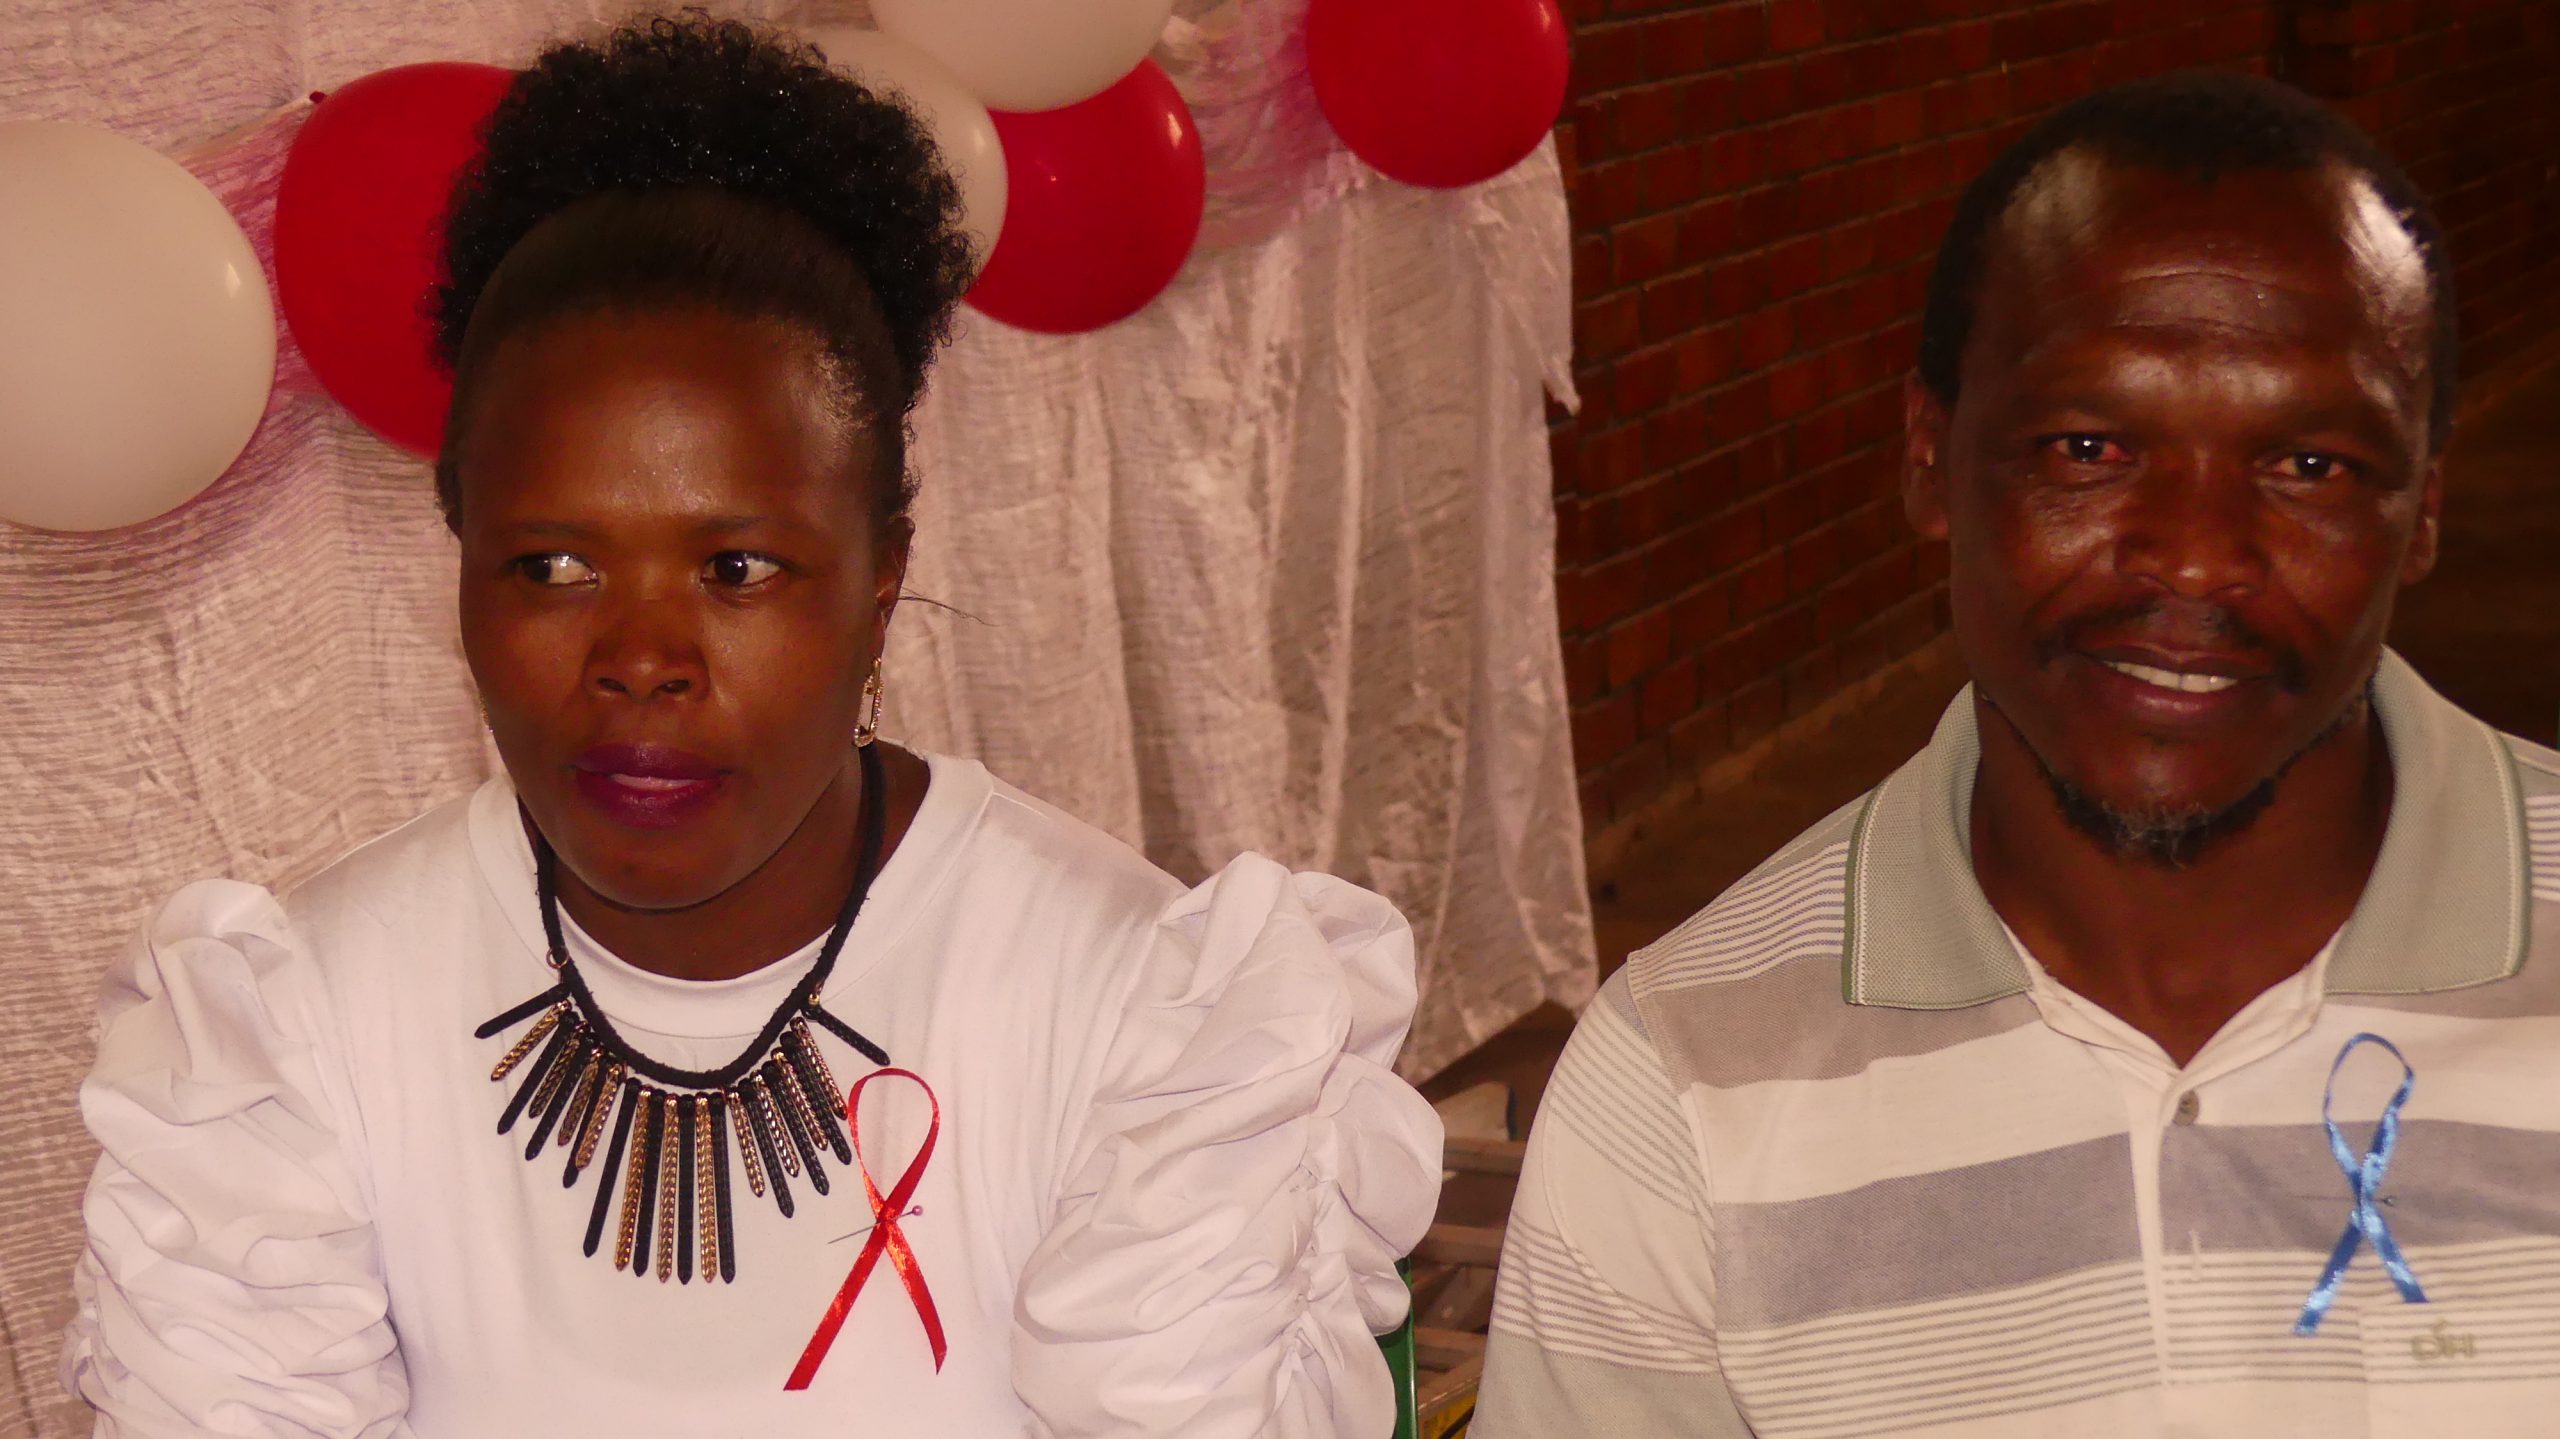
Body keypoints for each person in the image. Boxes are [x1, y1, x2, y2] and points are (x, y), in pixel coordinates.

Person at [63, 17, 1440, 1436]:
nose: (640, 661)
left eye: (736, 569)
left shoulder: (1138, 1027)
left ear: (881, 582)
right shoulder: (290, 1042)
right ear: (459, 562)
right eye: (553, 566)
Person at [1476, 71, 2560, 1437]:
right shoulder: (1688, 1078)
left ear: (2424, 511)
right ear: (1928, 462)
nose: (2194, 560)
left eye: (2309, 466)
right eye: (2089, 448)